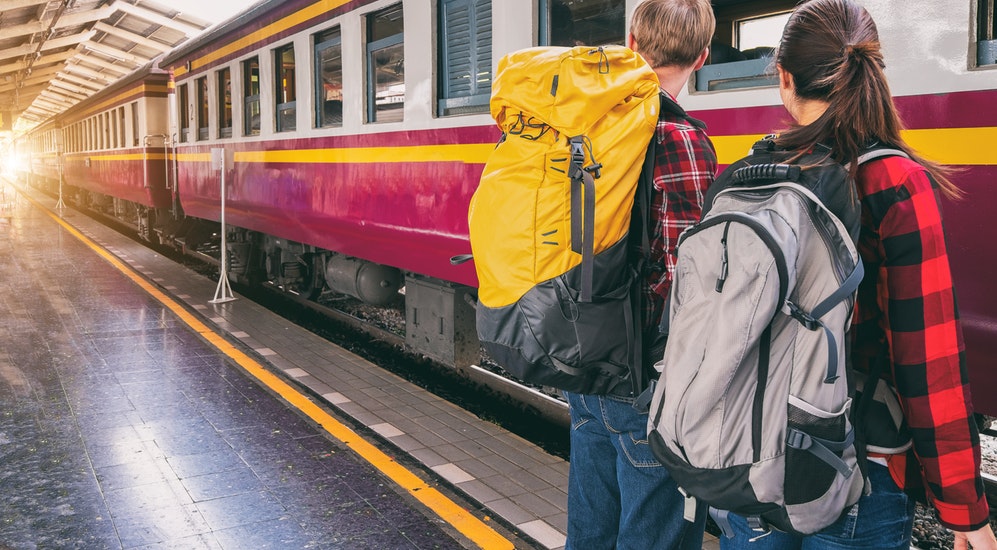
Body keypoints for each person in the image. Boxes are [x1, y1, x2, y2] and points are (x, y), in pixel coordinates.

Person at [718, 1, 997, 549]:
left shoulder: (749, 176)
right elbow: (927, 361)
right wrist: (964, 508)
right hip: (855, 467)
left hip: (748, 453)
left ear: (783, 77)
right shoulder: (893, 181)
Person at [562, 1, 717, 548]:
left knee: (590, 530)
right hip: (644, 373)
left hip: (583, 355)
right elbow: (682, 272)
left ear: (630, 42)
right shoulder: (683, 138)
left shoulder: (583, 126)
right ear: (701, 56)